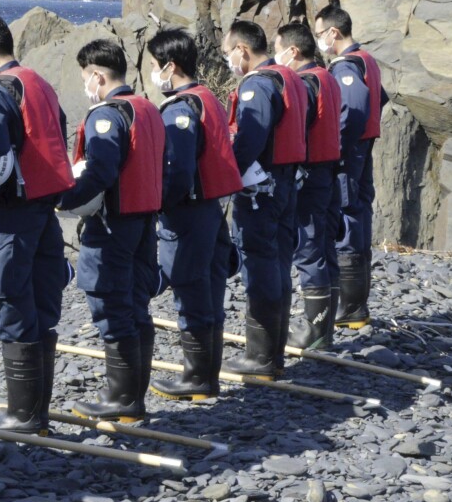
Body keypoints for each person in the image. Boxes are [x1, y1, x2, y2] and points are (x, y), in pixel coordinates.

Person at [0, 15, 75, 434]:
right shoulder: (37, 83)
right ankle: (36, 411)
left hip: (10, 213)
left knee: (11, 300)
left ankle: (23, 414)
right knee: (42, 304)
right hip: (44, 209)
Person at [61, 39, 165, 422]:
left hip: (113, 224)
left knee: (112, 303)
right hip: (144, 220)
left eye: (85, 78)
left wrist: (64, 200)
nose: (85, 86)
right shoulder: (147, 108)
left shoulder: (106, 115)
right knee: (136, 304)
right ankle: (132, 397)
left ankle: (122, 399)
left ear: (97, 76)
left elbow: (101, 171)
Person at [143, 29, 242, 401]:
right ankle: (205, 375)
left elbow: (177, 170)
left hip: (188, 214)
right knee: (210, 289)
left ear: (170, 66)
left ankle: (198, 378)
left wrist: (157, 205)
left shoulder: (180, 108)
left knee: (190, 289)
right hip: (213, 210)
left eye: (155, 66)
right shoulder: (207, 98)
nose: (154, 73)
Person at [220, 20, 308, 380]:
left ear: (242, 49)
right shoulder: (289, 78)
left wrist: (223, 178)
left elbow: (250, 139)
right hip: (286, 184)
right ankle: (274, 353)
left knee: (259, 265)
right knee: (279, 264)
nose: (228, 60)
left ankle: (260, 357)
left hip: (261, 191)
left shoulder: (258, 84)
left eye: (228, 53)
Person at [313, 5, 384, 330]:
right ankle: (355, 306)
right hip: (363, 148)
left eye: (319, 34)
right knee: (359, 214)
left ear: (333, 32)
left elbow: (354, 106)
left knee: (348, 217)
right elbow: (379, 97)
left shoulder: (345, 66)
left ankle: (351, 307)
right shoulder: (366, 59)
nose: (319, 41)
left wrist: (337, 147)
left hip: (350, 154)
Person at [274, 23, 344, 350]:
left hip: (311, 175)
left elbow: (296, 128)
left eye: (278, 48)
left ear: (292, 51)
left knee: (309, 247)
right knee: (324, 245)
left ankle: (315, 332)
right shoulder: (327, 77)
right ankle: (325, 328)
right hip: (329, 170)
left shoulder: (305, 83)